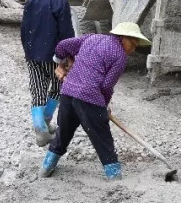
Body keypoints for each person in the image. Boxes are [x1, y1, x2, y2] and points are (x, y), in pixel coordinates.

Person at [41, 22, 152, 180]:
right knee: (102, 137)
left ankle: (46, 168)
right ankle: (114, 177)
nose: (133, 49)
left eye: (136, 46)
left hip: (68, 92)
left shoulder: (92, 38)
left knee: (63, 133)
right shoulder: (120, 57)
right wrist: (103, 107)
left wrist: (60, 63)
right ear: (122, 38)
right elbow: (106, 86)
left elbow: (62, 46)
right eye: (133, 44)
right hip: (89, 97)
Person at [21, 0, 78, 146]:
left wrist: (28, 51)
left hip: (32, 54)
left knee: (37, 89)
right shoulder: (60, 2)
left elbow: (24, 28)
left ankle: (41, 130)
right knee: (56, 88)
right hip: (54, 57)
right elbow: (66, 34)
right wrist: (70, 57)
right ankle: (45, 122)